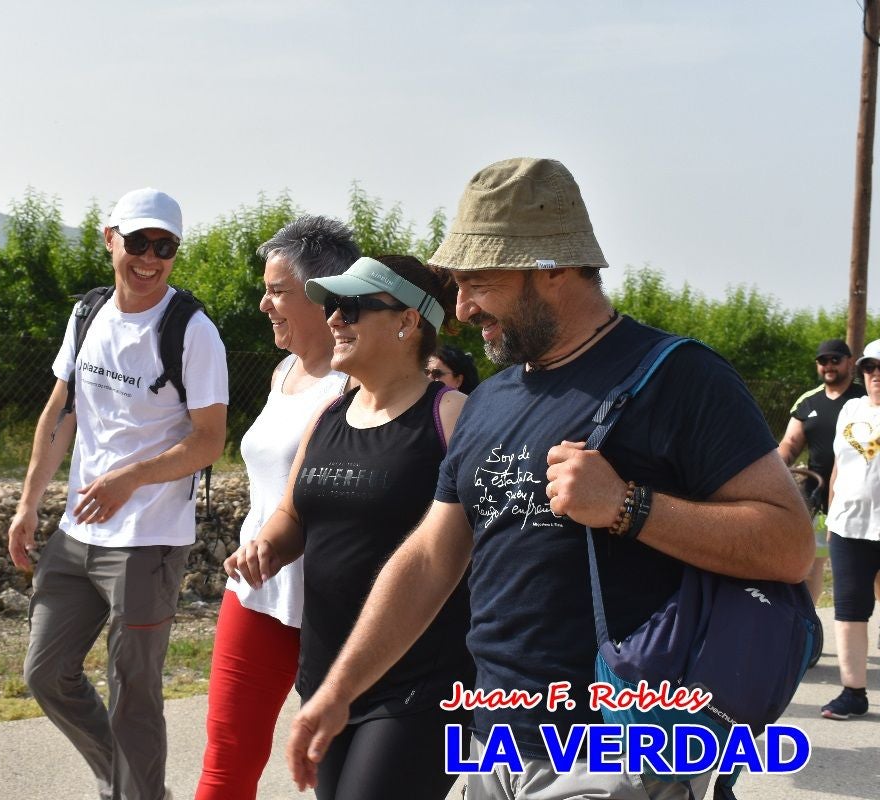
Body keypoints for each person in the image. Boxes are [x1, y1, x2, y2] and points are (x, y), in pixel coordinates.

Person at [286, 158, 812, 800]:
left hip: (618, 748)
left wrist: (628, 506)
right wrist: (342, 689)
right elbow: (431, 557)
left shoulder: (681, 378)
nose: (462, 306)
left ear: (553, 267)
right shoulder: (492, 399)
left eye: (479, 280)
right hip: (491, 746)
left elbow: (789, 546)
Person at [8, 187, 228, 800]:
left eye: (165, 247)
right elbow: (61, 410)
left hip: (148, 541)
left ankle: (133, 792)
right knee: (46, 672)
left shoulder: (193, 331)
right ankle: (126, 783)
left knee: (134, 693)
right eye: (138, 243)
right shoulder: (87, 316)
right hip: (78, 533)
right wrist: (30, 503)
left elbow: (210, 440)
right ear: (110, 239)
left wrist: (128, 479)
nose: (150, 258)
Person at [226, 254, 473, 800]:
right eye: (332, 305)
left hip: (418, 686)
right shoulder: (329, 415)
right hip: (326, 676)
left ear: (407, 322)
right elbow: (294, 515)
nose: (333, 319)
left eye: (352, 307)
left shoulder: (452, 415)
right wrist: (267, 545)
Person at [195, 216, 359, 800]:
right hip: (258, 594)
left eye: (278, 291)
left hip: (335, 606)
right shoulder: (283, 371)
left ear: (324, 296)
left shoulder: (360, 385)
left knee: (338, 773)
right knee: (226, 761)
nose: (264, 304)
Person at [820, 338, 880, 720]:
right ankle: (853, 692)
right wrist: (830, 514)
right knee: (849, 609)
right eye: (871, 368)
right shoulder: (851, 410)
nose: (876, 375)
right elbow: (839, 467)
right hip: (849, 526)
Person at [778, 338, 864, 603]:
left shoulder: (864, 398)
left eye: (835, 360)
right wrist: (775, 468)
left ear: (850, 362)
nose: (828, 365)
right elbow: (790, 443)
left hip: (860, 500)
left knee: (867, 568)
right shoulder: (808, 401)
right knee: (812, 566)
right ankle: (811, 632)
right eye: (822, 360)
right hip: (818, 499)